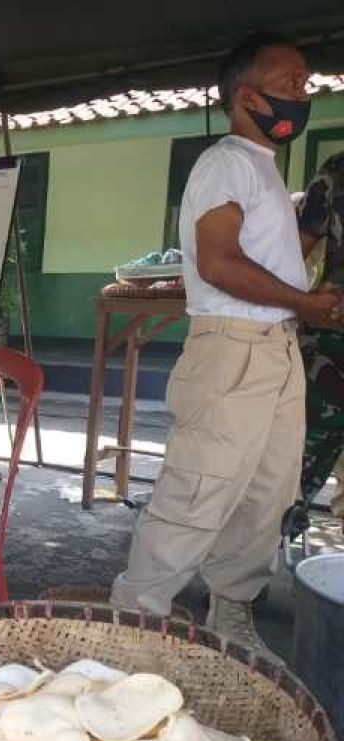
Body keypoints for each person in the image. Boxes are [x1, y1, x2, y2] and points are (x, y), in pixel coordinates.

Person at [109, 33, 343, 654]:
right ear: (248, 95)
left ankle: (231, 616)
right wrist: (305, 301)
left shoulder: (265, 171)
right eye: (292, 83)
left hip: (276, 349)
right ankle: (134, 623)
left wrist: (303, 309)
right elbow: (216, 262)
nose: (303, 94)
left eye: (306, 85)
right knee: (198, 489)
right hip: (234, 348)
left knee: (266, 496)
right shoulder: (225, 163)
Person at [290, 152, 344, 529]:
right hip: (331, 342)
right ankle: (243, 581)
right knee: (290, 477)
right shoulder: (337, 171)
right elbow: (295, 253)